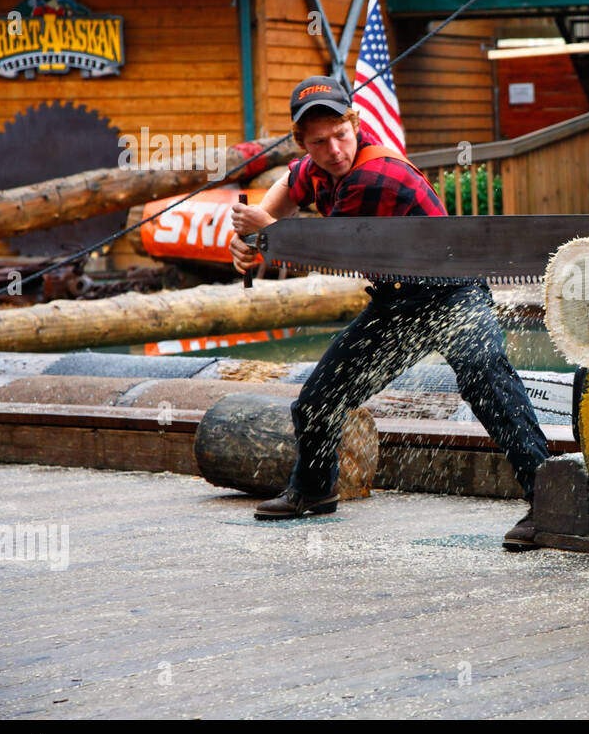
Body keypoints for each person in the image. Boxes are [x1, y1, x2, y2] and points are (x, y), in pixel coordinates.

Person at [229, 75, 548, 550]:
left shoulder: (376, 175)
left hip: (451, 291)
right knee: (319, 399)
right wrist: (249, 238)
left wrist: (266, 231)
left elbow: (335, 253)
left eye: (341, 135)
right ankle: (314, 491)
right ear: (303, 142)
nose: (334, 148)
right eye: (319, 142)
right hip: (398, 300)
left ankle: (549, 504)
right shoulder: (316, 168)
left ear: (355, 122)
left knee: (487, 382)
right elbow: (289, 182)